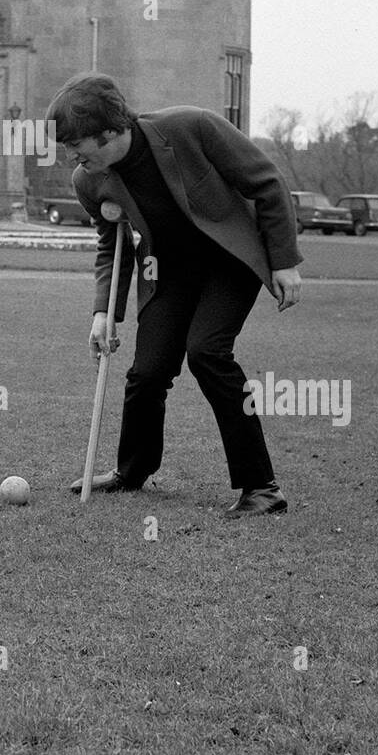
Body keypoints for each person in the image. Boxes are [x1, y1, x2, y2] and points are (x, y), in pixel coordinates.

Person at [51, 73, 303, 515]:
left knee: (207, 352)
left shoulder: (192, 127)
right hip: (166, 272)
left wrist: (284, 261)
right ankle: (132, 472)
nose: (69, 155)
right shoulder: (89, 180)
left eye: (75, 144)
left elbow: (267, 183)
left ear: (109, 132)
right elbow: (111, 245)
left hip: (228, 261)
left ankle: (262, 487)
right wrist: (101, 312)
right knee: (146, 373)